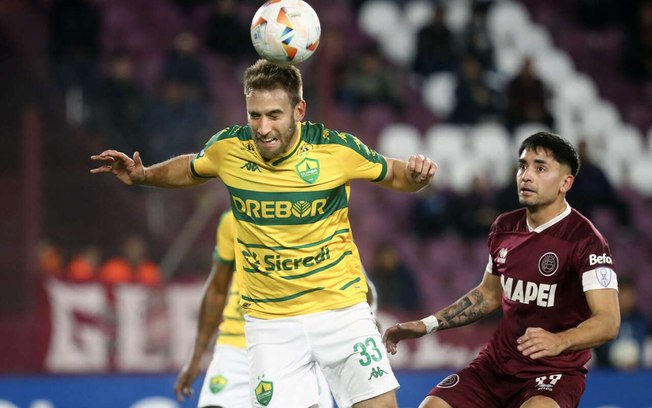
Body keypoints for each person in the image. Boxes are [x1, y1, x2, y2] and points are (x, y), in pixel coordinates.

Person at [91, 59, 437, 408]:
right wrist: (144, 175)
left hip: (341, 310)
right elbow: (192, 167)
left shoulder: (336, 150)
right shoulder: (229, 148)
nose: (263, 127)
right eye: (254, 115)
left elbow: (393, 172)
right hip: (270, 326)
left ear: (299, 110)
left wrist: (416, 176)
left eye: (274, 115)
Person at [383, 132, 620, 408]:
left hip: (554, 373)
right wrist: (426, 325)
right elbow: (488, 295)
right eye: (522, 166)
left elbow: (608, 321)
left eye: (540, 168)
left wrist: (560, 340)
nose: (526, 176)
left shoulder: (586, 240)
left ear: (565, 183)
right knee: (432, 406)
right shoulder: (505, 227)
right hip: (497, 366)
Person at [174, 210, 335, 407]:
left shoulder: (313, 215)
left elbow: (352, 280)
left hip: (296, 343)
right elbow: (217, 288)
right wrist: (195, 358)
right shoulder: (233, 220)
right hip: (237, 344)